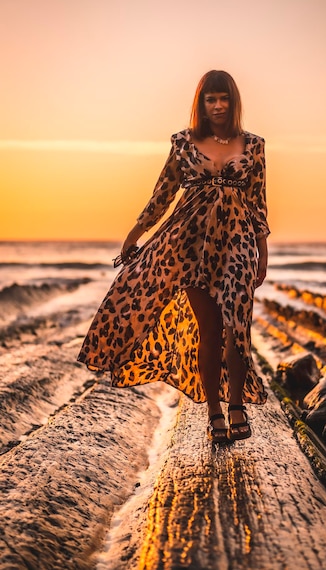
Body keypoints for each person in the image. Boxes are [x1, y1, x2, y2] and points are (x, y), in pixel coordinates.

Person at [78, 70, 270, 443]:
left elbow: (258, 200)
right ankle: (214, 411)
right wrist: (136, 233)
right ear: (200, 103)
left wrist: (262, 251)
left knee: (237, 328)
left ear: (234, 102)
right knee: (211, 330)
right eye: (210, 99)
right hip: (189, 246)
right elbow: (162, 194)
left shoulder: (254, 145)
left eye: (223, 98)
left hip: (238, 242)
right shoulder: (183, 143)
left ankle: (236, 406)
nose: (217, 106)